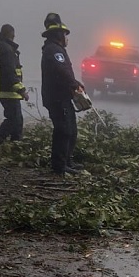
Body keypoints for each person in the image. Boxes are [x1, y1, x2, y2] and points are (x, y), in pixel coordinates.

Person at [40, 13, 84, 176]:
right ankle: (59, 166)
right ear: (59, 34)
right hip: (57, 98)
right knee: (63, 130)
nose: (66, 38)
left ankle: (67, 161)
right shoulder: (54, 50)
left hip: (63, 97)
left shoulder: (55, 49)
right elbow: (62, 70)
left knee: (71, 129)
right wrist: (75, 84)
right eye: (65, 34)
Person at [0, 24, 28, 149]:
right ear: (10, 35)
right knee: (13, 119)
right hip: (7, 90)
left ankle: (16, 144)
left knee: (17, 118)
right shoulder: (6, 49)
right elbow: (10, 72)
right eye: (13, 36)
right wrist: (21, 90)